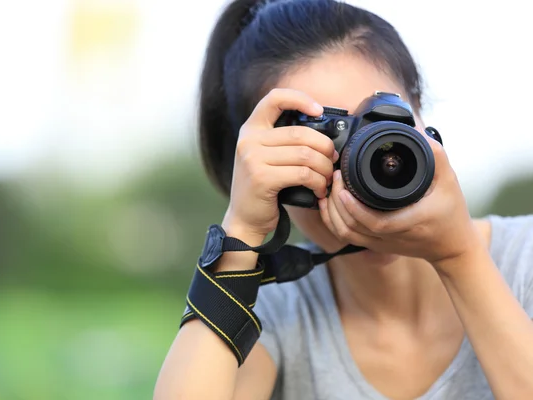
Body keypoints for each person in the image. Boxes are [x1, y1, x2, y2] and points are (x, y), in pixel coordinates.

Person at [154, 0, 533, 399]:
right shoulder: (279, 311)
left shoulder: (523, 260)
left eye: (381, 129)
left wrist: (459, 256)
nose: (356, 177)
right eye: (314, 146)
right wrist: (241, 232)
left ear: (422, 119)